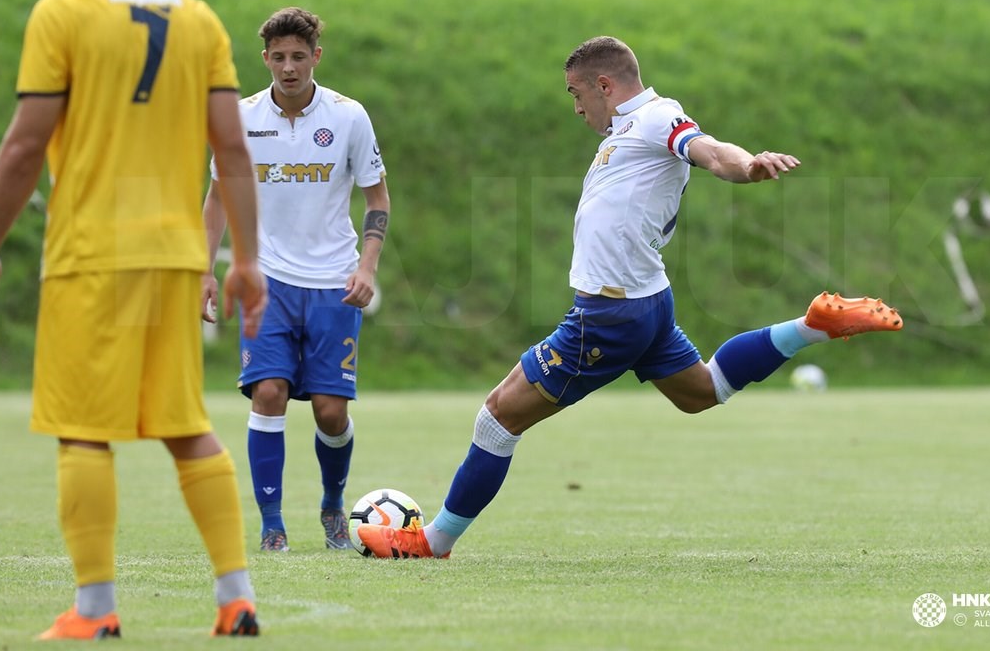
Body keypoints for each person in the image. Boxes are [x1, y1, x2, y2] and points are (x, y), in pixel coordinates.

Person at [357, 35, 903, 560]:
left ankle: (434, 541)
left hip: (609, 312)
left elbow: (710, 151)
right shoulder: (625, 131)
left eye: (576, 94)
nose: (575, 108)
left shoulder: (656, 117)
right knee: (702, 391)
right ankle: (813, 325)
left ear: (603, 85)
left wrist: (749, 165)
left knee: (498, 418)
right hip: (645, 302)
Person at [0, 0, 266, 639]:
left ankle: (95, 610)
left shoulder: (61, 13)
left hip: (92, 251)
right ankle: (236, 598)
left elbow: (26, 146)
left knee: (82, 428)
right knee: (183, 422)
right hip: (173, 253)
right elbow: (232, 149)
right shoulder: (197, 16)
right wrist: (246, 259)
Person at [201, 7, 389, 553]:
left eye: (298, 57)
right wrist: (205, 270)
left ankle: (333, 504)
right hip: (266, 281)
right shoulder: (239, 118)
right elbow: (217, 197)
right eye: (279, 57)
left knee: (332, 411)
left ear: (316, 58)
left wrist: (367, 267)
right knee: (268, 393)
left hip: (333, 281)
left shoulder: (349, 117)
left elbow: (377, 199)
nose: (288, 67)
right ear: (265, 60)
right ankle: (271, 526)